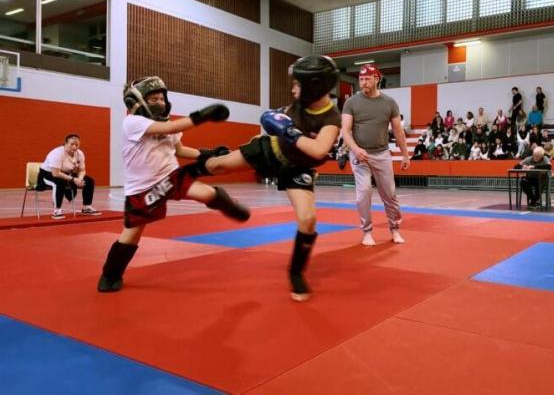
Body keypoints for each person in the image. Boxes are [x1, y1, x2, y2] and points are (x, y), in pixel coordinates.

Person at [205, 55, 342, 301]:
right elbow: (276, 119)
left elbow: (319, 149)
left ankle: (296, 272)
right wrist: (277, 120)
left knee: (308, 219)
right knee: (216, 165)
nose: (293, 89)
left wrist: (288, 130)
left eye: (297, 85)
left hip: (297, 168)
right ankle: (195, 162)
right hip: (271, 150)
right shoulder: (298, 103)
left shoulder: (331, 117)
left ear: (313, 87)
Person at [96, 76, 250, 293]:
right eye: (154, 99)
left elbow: (178, 150)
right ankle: (111, 274)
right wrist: (202, 116)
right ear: (136, 103)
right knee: (131, 235)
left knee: (206, 193)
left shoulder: (167, 124)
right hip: (143, 188)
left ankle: (226, 203)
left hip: (171, 176)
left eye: (161, 98)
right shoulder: (132, 122)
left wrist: (206, 153)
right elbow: (171, 128)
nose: (160, 102)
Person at [341, 63, 410, 247]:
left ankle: (395, 229)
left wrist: (405, 155)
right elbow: (345, 131)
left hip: (382, 154)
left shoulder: (389, 103)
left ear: (376, 79)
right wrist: (355, 149)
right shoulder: (351, 102)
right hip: (359, 155)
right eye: (361, 79)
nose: (362, 82)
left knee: (389, 194)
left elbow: (398, 131)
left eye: (366, 79)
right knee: (363, 193)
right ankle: (367, 232)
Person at [37, 133, 101, 219]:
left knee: (89, 181)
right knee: (59, 183)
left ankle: (87, 207)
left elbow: (82, 170)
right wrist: (74, 180)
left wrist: (80, 179)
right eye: (71, 144)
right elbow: (55, 173)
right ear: (65, 143)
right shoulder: (57, 153)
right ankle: (57, 210)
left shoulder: (79, 153)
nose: (74, 147)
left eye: (77, 145)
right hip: (48, 174)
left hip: (67, 174)